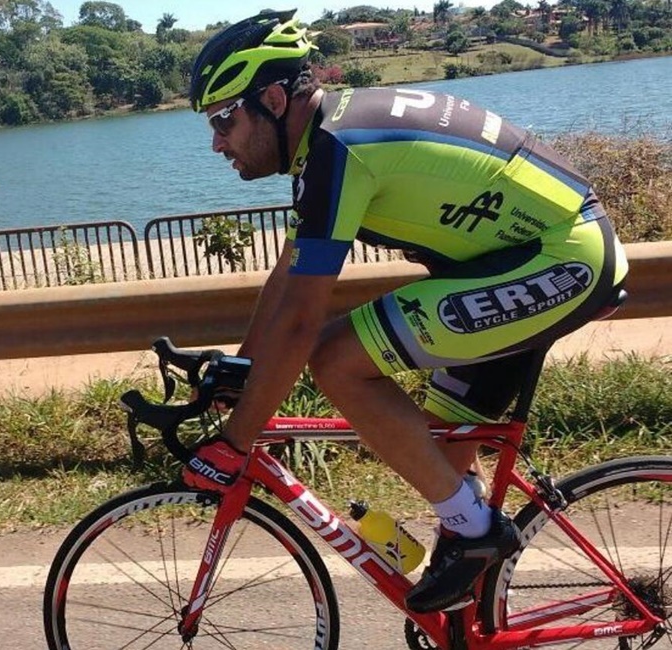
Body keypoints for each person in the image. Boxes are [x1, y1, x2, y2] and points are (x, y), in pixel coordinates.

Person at [181, 9, 629, 614]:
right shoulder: (327, 140)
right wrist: (244, 370)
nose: (216, 142)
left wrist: (236, 442)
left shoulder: (339, 151)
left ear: (274, 97)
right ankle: (474, 607)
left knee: (336, 359)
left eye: (223, 119)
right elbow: (289, 274)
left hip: (557, 257)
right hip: (521, 257)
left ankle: (477, 538)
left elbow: (300, 323)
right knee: (442, 470)